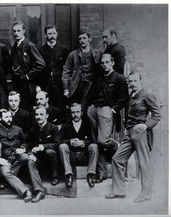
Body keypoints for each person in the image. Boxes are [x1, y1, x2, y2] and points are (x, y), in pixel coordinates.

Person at [105, 72, 161, 202]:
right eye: (130, 81)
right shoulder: (131, 96)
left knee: (144, 162)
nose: (132, 83)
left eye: (135, 81)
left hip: (140, 132)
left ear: (140, 81)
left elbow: (157, 115)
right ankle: (119, 191)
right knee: (117, 159)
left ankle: (146, 194)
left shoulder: (147, 95)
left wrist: (146, 126)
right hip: (130, 133)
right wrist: (126, 128)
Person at [0, 109, 46, 203]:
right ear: (0, 118)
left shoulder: (17, 129)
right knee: (4, 172)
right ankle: (26, 191)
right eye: (6, 117)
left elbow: (25, 141)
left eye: (10, 117)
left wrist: (23, 148)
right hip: (5, 161)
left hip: (18, 157)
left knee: (28, 159)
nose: (9, 119)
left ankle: (39, 191)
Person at [87, 53, 129, 183]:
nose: (104, 65)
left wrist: (113, 109)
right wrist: (90, 108)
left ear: (112, 63)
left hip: (107, 109)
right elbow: (93, 94)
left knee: (103, 140)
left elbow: (124, 98)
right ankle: (102, 172)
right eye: (102, 63)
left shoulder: (119, 78)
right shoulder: (99, 79)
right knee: (95, 142)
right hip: (94, 109)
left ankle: (117, 146)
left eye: (107, 62)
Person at [59, 103, 98, 188]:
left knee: (94, 146)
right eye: (73, 112)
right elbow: (61, 140)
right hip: (71, 156)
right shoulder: (66, 125)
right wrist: (70, 142)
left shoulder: (87, 124)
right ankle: (68, 175)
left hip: (84, 155)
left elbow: (92, 140)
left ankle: (91, 174)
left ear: (82, 113)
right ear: (70, 113)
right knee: (62, 146)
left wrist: (82, 142)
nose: (75, 114)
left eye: (77, 112)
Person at [11, 21, 46, 111]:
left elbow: (41, 64)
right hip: (17, 83)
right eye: (14, 31)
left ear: (24, 31)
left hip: (28, 85)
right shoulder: (14, 47)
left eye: (18, 31)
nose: (16, 33)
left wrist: (28, 76)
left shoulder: (30, 46)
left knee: (28, 110)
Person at [62, 30, 100, 111]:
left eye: (84, 38)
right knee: (77, 108)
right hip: (77, 85)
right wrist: (66, 89)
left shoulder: (97, 54)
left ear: (89, 39)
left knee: (89, 109)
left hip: (92, 85)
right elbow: (66, 72)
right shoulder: (73, 55)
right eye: (80, 39)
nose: (82, 41)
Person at [26, 106, 61, 186]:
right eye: (37, 115)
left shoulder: (53, 128)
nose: (39, 117)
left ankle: (54, 175)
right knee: (30, 160)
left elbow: (57, 144)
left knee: (49, 152)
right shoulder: (33, 129)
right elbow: (29, 144)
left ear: (47, 115)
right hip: (38, 158)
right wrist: (30, 153)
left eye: (41, 114)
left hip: (50, 159)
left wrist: (42, 147)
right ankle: (34, 179)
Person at [39, 25, 69, 110]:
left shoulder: (64, 50)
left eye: (54, 33)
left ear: (57, 34)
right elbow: (38, 69)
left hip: (59, 83)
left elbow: (68, 68)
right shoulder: (41, 50)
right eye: (49, 34)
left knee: (60, 104)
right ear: (45, 35)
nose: (52, 36)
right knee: (46, 105)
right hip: (45, 82)